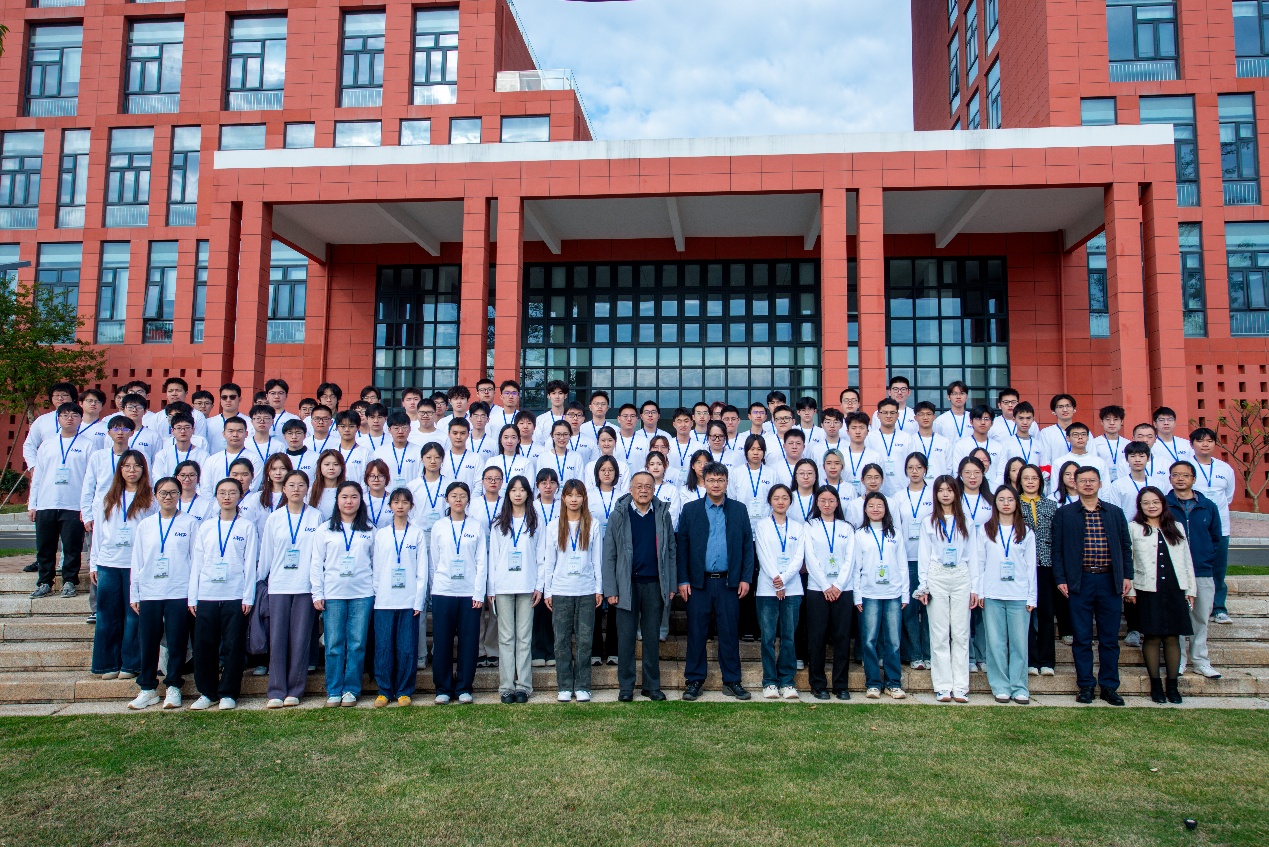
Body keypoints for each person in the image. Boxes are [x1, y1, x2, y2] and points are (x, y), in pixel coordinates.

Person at [1051, 467, 1133, 706]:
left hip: (1109, 580)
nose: (1087, 484)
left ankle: (1109, 686)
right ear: (1075, 484)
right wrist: (1060, 578)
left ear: (1100, 483)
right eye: (1083, 481)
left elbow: (1125, 546)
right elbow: (1057, 549)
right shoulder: (1065, 513)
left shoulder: (1114, 513)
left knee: (1109, 638)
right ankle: (1086, 684)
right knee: (1082, 637)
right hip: (1080, 580)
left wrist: (1127, 575)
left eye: (1092, 480)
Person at [676, 462, 756, 701]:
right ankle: (694, 680)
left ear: (727, 482)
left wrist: (745, 578)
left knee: (729, 633)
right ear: (704, 482)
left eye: (720, 480)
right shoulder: (691, 510)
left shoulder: (739, 510)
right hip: (698, 583)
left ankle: (732, 680)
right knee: (696, 633)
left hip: (728, 583)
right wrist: (682, 579)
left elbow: (747, 546)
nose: (716, 484)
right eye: (711, 480)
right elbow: (682, 547)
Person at [601, 471, 677, 701]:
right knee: (625, 638)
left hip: (654, 584)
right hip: (627, 585)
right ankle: (626, 686)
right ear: (631, 490)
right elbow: (609, 554)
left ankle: (651, 686)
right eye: (639, 486)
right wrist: (610, 589)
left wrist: (671, 584)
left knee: (652, 638)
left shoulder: (662, 514)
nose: (643, 490)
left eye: (648, 486)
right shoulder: (619, 515)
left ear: (654, 490)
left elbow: (671, 551)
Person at [127, 475, 197, 710]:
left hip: (178, 590)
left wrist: (193, 594)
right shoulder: (146, 525)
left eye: (173, 492)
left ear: (180, 495)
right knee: (148, 641)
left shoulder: (189, 523)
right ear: (155, 496)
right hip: (150, 591)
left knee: (177, 641)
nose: (168, 497)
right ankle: (148, 688)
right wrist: (135, 593)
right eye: (163, 493)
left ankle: (173, 686)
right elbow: (137, 560)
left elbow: (195, 560)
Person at [188, 478, 258, 710]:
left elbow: (250, 564)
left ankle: (228, 692)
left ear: (240, 496)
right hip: (207, 594)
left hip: (235, 595)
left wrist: (248, 596)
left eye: (232, 492)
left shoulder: (246, 526)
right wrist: (193, 596)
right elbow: (197, 563)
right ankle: (207, 692)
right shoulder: (206, 527)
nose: (227, 497)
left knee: (233, 645)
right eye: (222, 492)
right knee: (204, 645)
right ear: (216, 496)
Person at [260, 471, 324, 709]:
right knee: (277, 639)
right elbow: (266, 553)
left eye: (301, 485)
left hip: (305, 586)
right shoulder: (275, 518)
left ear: (307, 489)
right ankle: (276, 690)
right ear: (284, 489)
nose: (296, 489)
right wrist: (261, 582)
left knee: (300, 639)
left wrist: (318, 586)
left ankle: (295, 690)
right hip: (279, 585)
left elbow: (319, 555)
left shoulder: (316, 517)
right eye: (291, 485)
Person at [1128, 486, 1196, 704]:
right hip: (1148, 589)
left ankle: (1173, 686)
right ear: (1140, 506)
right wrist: (1130, 590)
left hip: (1174, 588)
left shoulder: (1176, 527)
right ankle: (1156, 685)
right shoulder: (1134, 528)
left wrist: (1191, 590)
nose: (1151, 506)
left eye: (1155, 502)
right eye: (1146, 503)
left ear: (1163, 504)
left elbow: (1187, 559)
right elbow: (1130, 560)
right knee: (1152, 636)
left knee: (1172, 636)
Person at [90, 451, 154, 681]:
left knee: (133, 614)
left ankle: (130, 663)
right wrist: (94, 563)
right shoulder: (108, 498)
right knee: (107, 614)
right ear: (120, 470)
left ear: (144, 470)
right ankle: (106, 663)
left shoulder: (151, 499)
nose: (131, 470)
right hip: (109, 561)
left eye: (137, 466)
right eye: (126, 466)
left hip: (136, 564)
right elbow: (98, 533)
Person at [311, 482, 376, 707]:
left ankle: (351, 689)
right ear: (337, 500)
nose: (349, 501)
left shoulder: (369, 529)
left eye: (354, 497)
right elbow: (316, 563)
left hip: (362, 593)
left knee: (357, 644)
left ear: (360, 500)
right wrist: (317, 592)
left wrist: (375, 591)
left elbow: (376, 563)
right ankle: (333, 689)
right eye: (344, 497)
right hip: (333, 593)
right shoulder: (325, 529)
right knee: (333, 644)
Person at [913, 476, 975, 703]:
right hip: (937, 575)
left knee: (960, 633)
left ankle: (961, 687)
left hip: (961, 575)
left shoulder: (966, 521)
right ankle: (943, 686)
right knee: (939, 633)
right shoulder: (928, 522)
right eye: (941, 490)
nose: (946, 494)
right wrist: (923, 586)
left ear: (956, 493)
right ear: (936, 494)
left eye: (950, 490)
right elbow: (923, 555)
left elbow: (973, 555)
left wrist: (975, 588)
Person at [977, 485, 1038, 704]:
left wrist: (1032, 596)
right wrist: (980, 592)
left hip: (1019, 595)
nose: (1006, 503)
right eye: (1001, 499)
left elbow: (1031, 566)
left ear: (1016, 503)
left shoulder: (1026, 531)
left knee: (1019, 644)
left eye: (1010, 500)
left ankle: (1019, 686)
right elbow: (980, 564)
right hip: (992, 594)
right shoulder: (986, 530)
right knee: (996, 644)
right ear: (995, 504)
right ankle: (1000, 686)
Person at [543, 480, 603, 702]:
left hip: (586, 590)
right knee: (561, 640)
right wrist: (548, 591)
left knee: (585, 640)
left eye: (578, 495)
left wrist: (599, 588)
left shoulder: (593, 524)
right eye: (570, 495)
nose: (574, 499)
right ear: (563, 498)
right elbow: (549, 562)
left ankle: (583, 686)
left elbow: (597, 559)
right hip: (561, 589)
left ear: (584, 498)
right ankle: (565, 686)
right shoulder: (553, 526)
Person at [1165, 462, 1224, 680]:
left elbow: (1216, 538)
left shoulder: (1208, 506)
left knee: (1201, 618)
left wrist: (1206, 556)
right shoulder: (1164, 506)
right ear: (1170, 479)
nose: (1180, 479)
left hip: (1202, 569)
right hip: (1175, 571)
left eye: (1185, 475)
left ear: (1194, 479)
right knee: (1179, 618)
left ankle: (1200, 660)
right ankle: (1179, 660)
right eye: (1175, 475)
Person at [429, 481, 486, 704]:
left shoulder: (475, 526)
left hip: (469, 593)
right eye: (454, 496)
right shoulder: (439, 527)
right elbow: (434, 561)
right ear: (447, 499)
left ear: (468, 499)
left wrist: (478, 593)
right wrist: (436, 587)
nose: (458, 499)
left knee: (469, 642)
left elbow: (481, 562)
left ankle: (464, 686)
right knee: (442, 641)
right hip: (443, 591)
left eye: (462, 495)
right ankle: (443, 688)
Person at [487, 475, 543, 704]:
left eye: (522, 490)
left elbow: (541, 556)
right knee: (506, 637)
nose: (518, 494)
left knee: (524, 637)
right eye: (513, 490)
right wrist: (491, 589)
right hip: (503, 586)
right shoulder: (499, 523)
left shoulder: (535, 521)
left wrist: (539, 586)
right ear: (508, 493)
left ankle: (524, 686)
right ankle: (506, 686)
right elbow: (493, 558)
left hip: (527, 585)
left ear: (528, 493)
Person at [371, 488, 429, 707]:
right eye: (396, 502)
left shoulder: (417, 533)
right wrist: (377, 594)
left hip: (408, 599)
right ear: (390, 506)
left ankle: (404, 690)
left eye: (405, 502)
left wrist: (418, 600)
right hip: (384, 600)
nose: (400, 506)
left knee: (406, 648)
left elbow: (422, 570)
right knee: (383, 647)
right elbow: (377, 568)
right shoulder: (382, 534)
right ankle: (384, 690)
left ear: (411, 506)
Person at [29, 402, 92, 599]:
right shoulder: (47, 444)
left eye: (74, 415)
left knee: (72, 546)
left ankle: (69, 582)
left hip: (73, 504)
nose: (70, 418)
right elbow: (38, 476)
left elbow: (90, 479)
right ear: (58, 419)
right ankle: (44, 582)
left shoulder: (87, 445)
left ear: (81, 419)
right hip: (46, 503)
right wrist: (33, 504)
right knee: (45, 546)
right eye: (65, 415)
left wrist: (86, 507)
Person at [803, 485, 856, 699]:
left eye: (831, 500)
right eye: (823, 500)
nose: (827, 504)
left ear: (837, 503)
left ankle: (840, 685)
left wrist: (838, 585)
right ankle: (818, 684)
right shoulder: (809, 526)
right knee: (817, 636)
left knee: (842, 637)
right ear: (817, 503)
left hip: (843, 589)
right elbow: (810, 558)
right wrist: (826, 585)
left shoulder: (847, 527)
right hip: (817, 589)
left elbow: (850, 559)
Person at [853, 492, 908, 699]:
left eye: (879, 505)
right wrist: (857, 595)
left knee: (893, 641)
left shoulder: (895, 534)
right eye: (871, 506)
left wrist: (905, 594)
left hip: (893, 593)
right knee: (869, 640)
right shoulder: (860, 535)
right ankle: (873, 683)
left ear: (886, 509)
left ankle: (893, 683)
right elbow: (856, 568)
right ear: (865, 510)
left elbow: (902, 565)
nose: (875, 509)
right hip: (869, 593)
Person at [753, 484, 805, 699]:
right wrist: (777, 579)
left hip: (792, 589)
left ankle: (787, 681)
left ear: (790, 501)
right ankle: (769, 681)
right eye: (776, 498)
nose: (781, 501)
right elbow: (762, 554)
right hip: (767, 589)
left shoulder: (798, 527)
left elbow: (799, 557)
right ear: (770, 501)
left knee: (788, 637)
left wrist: (783, 580)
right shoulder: (762, 526)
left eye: (785, 498)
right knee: (767, 637)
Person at [1189, 428, 1236, 626]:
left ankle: (1219, 608)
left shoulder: (1225, 469)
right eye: (1200, 441)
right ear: (1192, 444)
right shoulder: (1186, 467)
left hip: (1220, 526)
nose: (1205, 444)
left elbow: (1228, 496)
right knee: (1191, 566)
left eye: (1209, 441)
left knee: (1218, 567)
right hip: (1194, 526)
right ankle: (1194, 606)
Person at [1018, 464, 1059, 676]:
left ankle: (1047, 661)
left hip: (1045, 565)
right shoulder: (1013, 504)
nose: (1030, 482)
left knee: (1046, 614)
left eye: (1034, 478)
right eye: (1026, 478)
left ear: (1041, 482)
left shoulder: (1051, 505)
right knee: (1025, 614)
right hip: (1021, 567)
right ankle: (1031, 660)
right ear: (1020, 481)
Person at [900, 453, 934, 670]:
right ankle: (914, 654)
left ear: (925, 470)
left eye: (919, 467)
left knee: (930, 609)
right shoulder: (898, 497)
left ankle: (930, 653)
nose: (914, 471)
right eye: (911, 467)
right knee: (910, 609)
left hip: (930, 560)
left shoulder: (934, 494)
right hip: (907, 559)